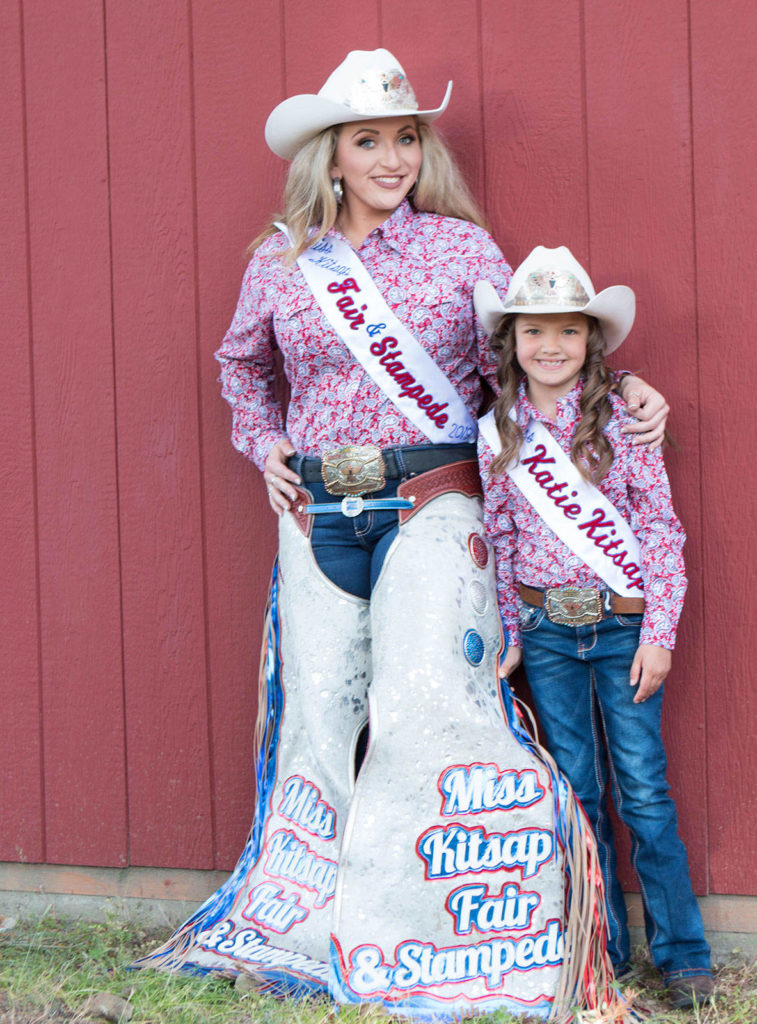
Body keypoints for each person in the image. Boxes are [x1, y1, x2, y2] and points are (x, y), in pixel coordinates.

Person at [141, 50, 668, 1017]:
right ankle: (310, 920)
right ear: (330, 155)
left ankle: (439, 931)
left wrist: (623, 388)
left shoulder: (464, 254)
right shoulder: (284, 258)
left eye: (405, 139)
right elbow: (239, 369)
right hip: (317, 514)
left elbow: (533, 361)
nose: (391, 158)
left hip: (432, 498)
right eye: (369, 140)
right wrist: (262, 444)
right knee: (319, 721)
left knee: (426, 699)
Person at [476, 245, 714, 1010]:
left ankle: (682, 956)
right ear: (510, 343)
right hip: (546, 634)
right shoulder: (497, 432)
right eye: (532, 332)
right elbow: (503, 543)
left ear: (591, 341)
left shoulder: (621, 419)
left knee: (643, 792)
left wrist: (661, 633)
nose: (550, 347)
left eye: (567, 331)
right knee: (575, 791)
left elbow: (659, 533)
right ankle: (601, 951)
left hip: (621, 630)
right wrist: (510, 631)